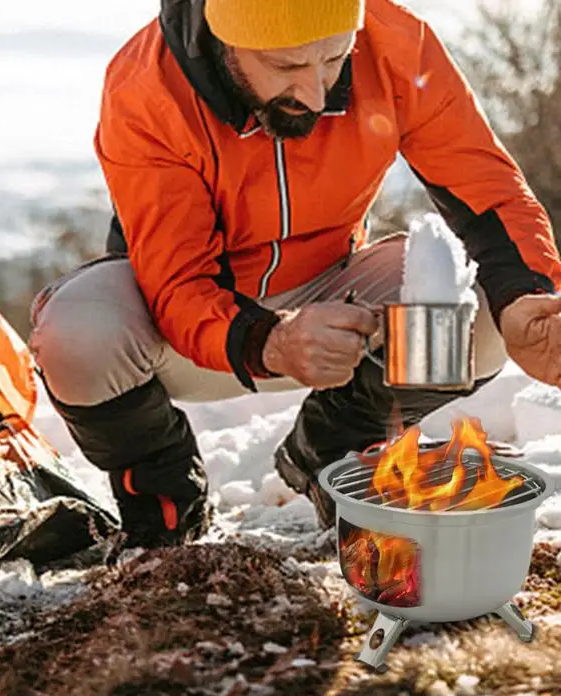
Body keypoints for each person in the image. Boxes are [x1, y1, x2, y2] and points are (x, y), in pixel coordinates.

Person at [30, 0, 561, 553]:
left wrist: (527, 300)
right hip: (181, 329)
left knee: (476, 314)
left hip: (338, 299)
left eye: (334, 59)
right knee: (76, 338)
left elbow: (489, 196)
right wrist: (274, 340)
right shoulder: (147, 87)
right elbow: (180, 284)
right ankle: (166, 498)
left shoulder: (396, 42)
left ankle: (332, 451)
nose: (315, 94)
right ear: (225, 37)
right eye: (285, 67)